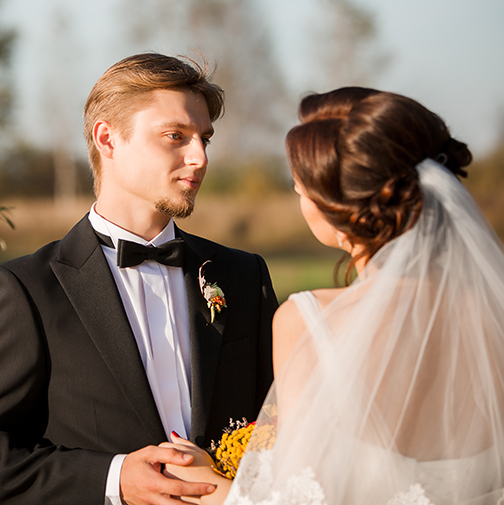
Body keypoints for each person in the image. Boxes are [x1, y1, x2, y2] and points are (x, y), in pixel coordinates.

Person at [0, 53, 278, 504]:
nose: (199, 157)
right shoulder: (28, 289)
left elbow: (285, 421)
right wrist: (113, 479)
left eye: (204, 140)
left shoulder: (242, 275)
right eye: (176, 136)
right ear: (108, 138)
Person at [163, 87, 504, 504]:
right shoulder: (493, 313)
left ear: (342, 210)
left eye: (301, 186)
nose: (298, 195)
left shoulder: (309, 321)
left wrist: (210, 486)